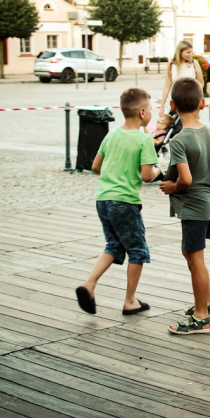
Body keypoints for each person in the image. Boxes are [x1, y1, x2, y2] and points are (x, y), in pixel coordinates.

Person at [75, 87, 157, 315]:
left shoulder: (111, 135)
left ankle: (89, 284)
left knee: (113, 245)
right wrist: (159, 172)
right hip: (125, 202)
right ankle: (130, 301)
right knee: (138, 250)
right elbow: (148, 175)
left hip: (103, 199)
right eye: (150, 108)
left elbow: (95, 167)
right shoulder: (143, 140)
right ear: (142, 112)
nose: (152, 112)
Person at [159, 77, 210, 334]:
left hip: (194, 206)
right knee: (191, 254)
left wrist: (172, 187)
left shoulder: (179, 140)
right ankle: (208, 304)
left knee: (195, 258)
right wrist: (209, 182)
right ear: (202, 104)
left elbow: (186, 179)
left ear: (172, 105)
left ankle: (201, 317)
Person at [160, 40, 203, 111]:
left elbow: (200, 83)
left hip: (191, 101)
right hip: (175, 101)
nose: (191, 54)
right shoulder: (171, 65)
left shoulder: (194, 63)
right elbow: (166, 87)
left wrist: (196, 96)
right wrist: (162, 106)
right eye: (188, 52)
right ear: (180, 52)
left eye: (191, 52)